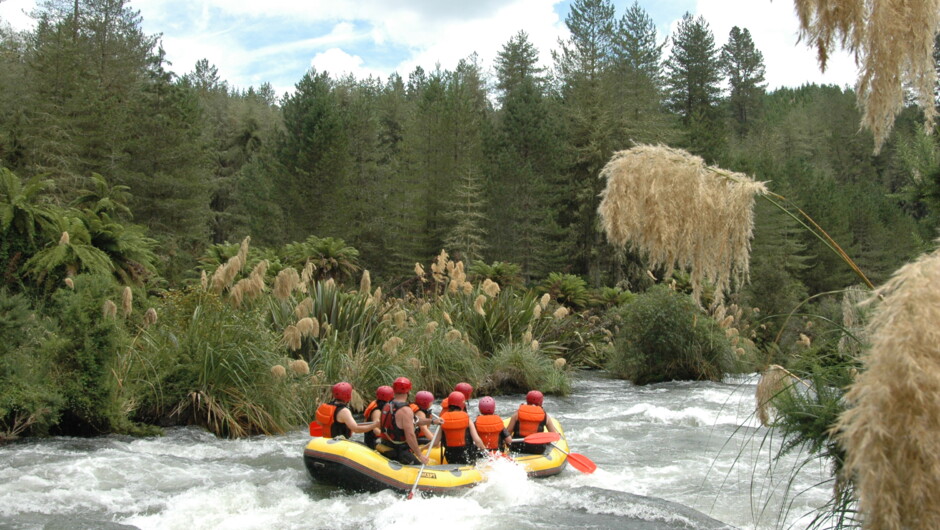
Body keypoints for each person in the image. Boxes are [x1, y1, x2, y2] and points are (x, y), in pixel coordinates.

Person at [380, 377, 441, 465]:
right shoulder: (405, 410)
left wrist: (432, 421)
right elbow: (410, 436)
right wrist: (420, 455)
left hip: (386, 444)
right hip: (399, 451)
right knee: (423, 465)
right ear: (408, 391)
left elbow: (415, 420)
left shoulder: (387, 405)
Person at [440, 391, 487, 465]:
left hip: (450, 456)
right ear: (462, 404)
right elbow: (477, 440)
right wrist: (485, 451)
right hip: (466, 455)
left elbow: (436, 442)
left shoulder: (442, 419)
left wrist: (423, 448)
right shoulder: (467, 418)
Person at [506, 390, 557, 454]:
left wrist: (506, 444)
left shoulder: (517, 414)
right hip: (537, 449)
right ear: (541, 402)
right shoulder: (545, 415)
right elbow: (553, 435)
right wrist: (548, 441)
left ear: (527, 400)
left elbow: (508, 432)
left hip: (517, 447)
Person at [363, 385, 394, 449]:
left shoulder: (382, 406)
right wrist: (390, 438)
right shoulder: (377, 411)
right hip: (373, 441)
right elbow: (375, 430)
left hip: (378, 438)